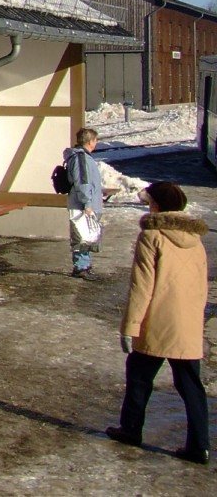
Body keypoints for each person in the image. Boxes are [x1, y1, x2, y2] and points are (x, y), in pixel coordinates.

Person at [106, 181, 210, 465]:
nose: (148, 205)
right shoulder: (196, 240)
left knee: (139, 377)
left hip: (156, 320)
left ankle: (131, 429)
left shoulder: (152, 236)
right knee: (190, 384)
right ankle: (199, 445)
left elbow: (142, 287)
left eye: (150, 201)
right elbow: (202, 286)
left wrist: (130, 327)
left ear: (158, 205)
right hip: (186, 322)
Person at [63, 127, 102, 279]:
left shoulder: (81, 157)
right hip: (82, 203)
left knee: (87, 234)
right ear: (91, 141)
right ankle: (80, 266)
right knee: (81, 234)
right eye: (95, 140)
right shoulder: (81, 159)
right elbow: (83, 183)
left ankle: (84, 264)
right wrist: (87, 203)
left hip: (84, 202)